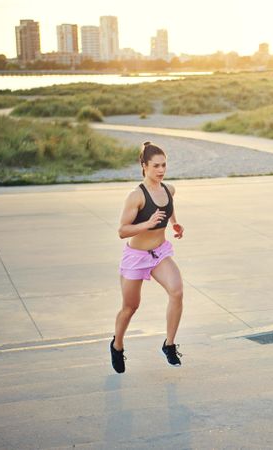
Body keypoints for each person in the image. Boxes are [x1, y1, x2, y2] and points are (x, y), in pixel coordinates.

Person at [110, 141, 185, 373]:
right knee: (131, 307)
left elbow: (169, 206)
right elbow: (122, 231)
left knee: (177, 291)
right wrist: (147, 224)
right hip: (136, 257)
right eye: (155, 166)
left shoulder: (168, 189)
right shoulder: (136, 196)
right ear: (144, 166)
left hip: (159, 253)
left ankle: (169, 345)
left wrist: (174, 224)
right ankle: (117, 345)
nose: (161, 170)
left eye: (164, 165)